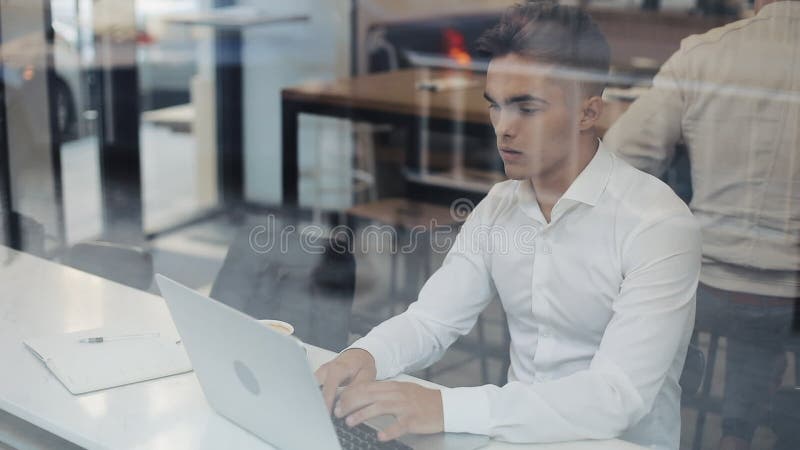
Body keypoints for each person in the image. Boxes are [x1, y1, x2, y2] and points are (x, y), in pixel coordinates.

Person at [316, 2, 701, 449]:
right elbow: (432, 320)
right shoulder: (499, 206)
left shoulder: (658, 224)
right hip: (510, 436)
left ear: (588, 113)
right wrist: (365, 355)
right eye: (496, 106)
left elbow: (616, 397)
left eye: (526, 108)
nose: (503, 129)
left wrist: (444, 407)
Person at [603, 1, 799, 449]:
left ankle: (674, 404)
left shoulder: (705, 54)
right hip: (791, 304)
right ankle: (738, 432)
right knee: (762, 327)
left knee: (743, 317)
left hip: (702, 286)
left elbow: (619, 160)